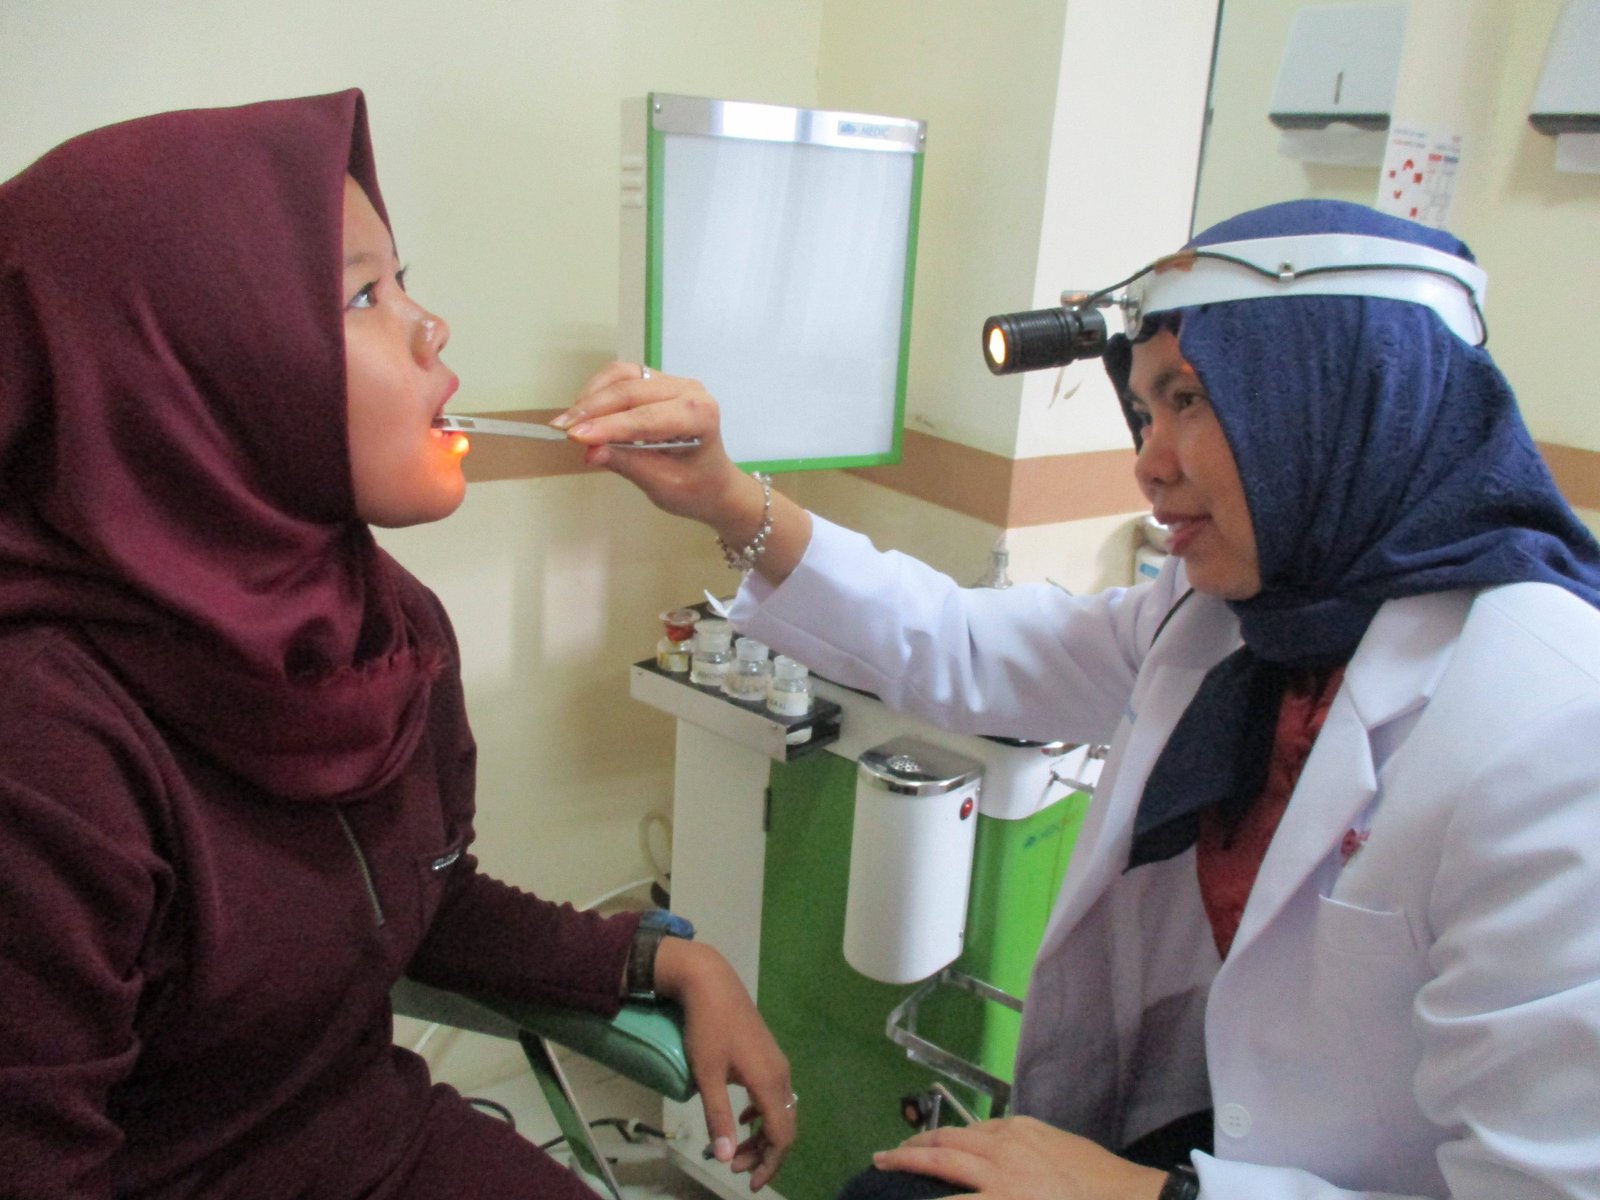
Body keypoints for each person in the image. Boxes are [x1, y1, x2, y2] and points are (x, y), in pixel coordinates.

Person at [556, 199, 1600, 1199]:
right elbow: (962, 647)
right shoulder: (1229, 621)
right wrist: (726, 498)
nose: (1148, 463)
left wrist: (1146, 1196)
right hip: (1188, 1130)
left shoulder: (1550, 724)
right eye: (1144, 411)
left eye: (1187, 401)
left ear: (1339, 396)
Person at [0, 90, 793, 1198]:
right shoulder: (45, 739)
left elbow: (427, 902)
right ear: (189, 374)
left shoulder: (386, 628)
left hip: (376, 1144)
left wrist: (661, 957)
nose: (432, 327)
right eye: (364, 295)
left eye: (402, 279)